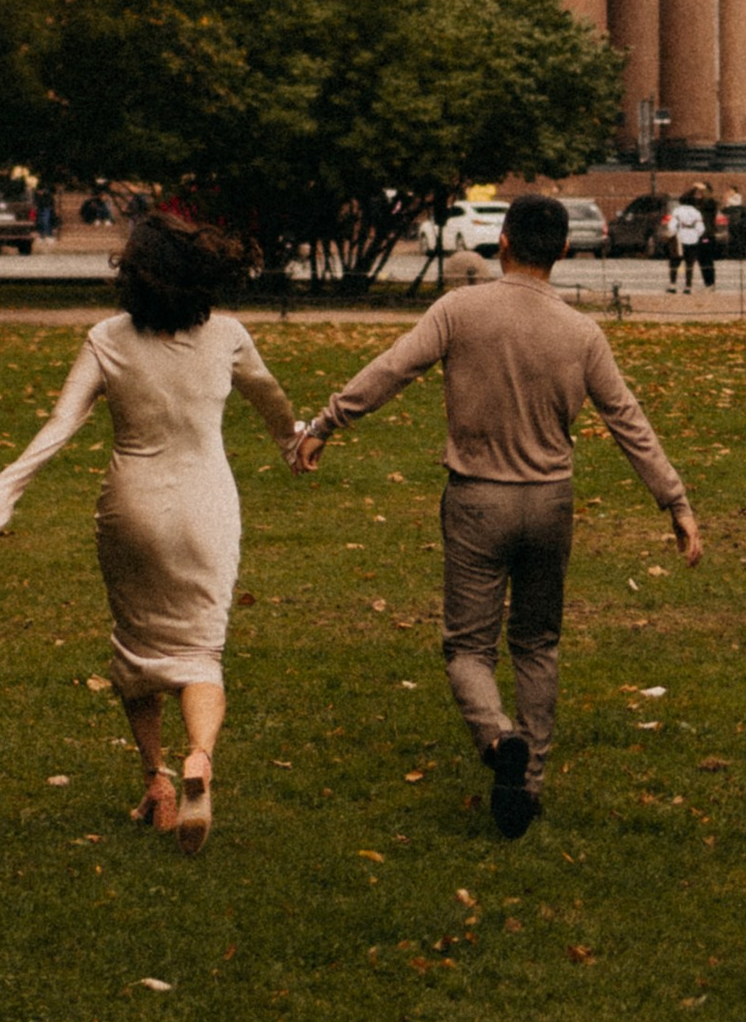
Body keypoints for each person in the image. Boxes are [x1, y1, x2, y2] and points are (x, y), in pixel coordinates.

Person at [289, 191, 702, 837]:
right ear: (564, 250)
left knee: (468, 649)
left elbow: (394, 368)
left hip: (478, 500)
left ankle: (495, 738)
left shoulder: (460, 309)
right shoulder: (582, 333)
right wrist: (674, 501)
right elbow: (629, 421)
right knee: (537, 644)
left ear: (503, 242)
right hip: (551, 504)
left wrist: (327, 421)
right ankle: (528, 781)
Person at [0, 211, 297, 853]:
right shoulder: (227, 335)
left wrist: (0, 494)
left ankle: (157, 782)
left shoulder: (106, 337)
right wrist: (294, 443)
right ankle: (200, 757)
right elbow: (271, 399)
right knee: (200, 652)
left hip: (130, 508)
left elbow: (61, 424)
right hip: (206, 506)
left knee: (137, 650)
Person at [663, 188, 705, 294]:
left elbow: (672, 226)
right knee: (690, 264)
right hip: (693, 240)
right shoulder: (697, 212)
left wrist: (671, 234)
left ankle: (673, 285)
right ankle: (688, 287)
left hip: (679, 239)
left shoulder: (677, 211)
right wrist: (696, 235)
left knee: (674, 263)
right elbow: (701, 228)